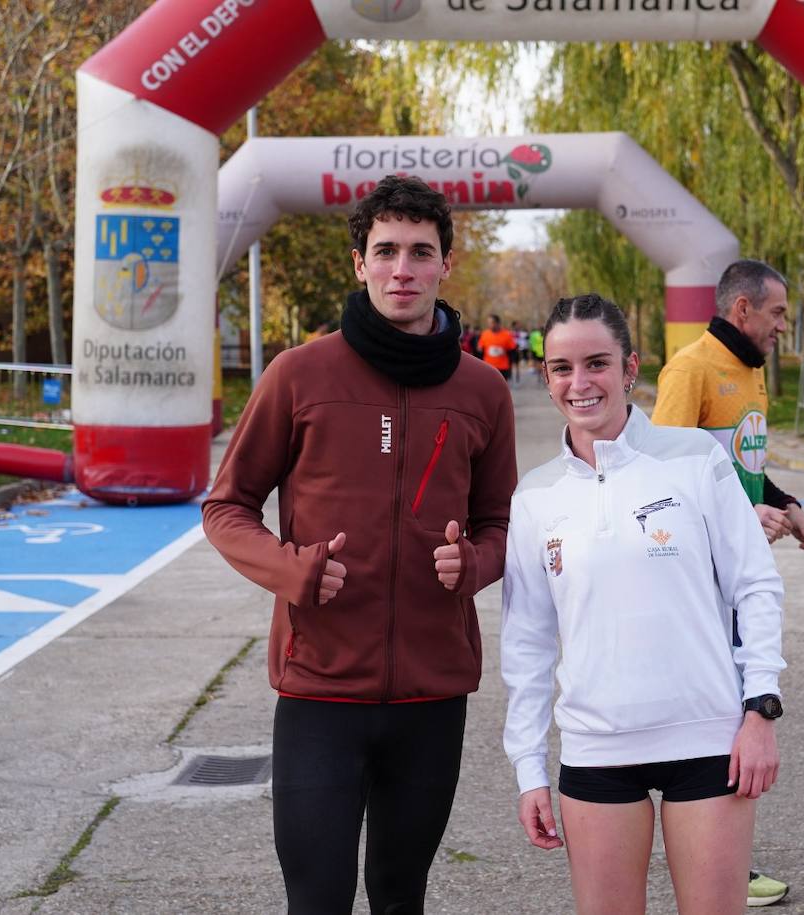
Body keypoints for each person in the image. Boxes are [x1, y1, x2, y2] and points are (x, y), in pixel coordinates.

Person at [201, 175, 518, 914]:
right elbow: (227, 506)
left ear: (445, 263)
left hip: (433, 693)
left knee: (400, 895)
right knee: (318, 898)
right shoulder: (298, 374)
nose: (401, 268)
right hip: (320, 690)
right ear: (359, 263)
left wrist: (474, 564)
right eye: (385, 251)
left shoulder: (483, 392)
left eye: (419, 251)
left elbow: (501, 524)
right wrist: (290, 570)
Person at [502, 293, 786, 915]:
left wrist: (761, 710)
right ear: (546, 376)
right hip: (596, 749)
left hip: (709, 739)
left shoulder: (694, 458)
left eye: (597, 363)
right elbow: (526, 641)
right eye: (561, 368)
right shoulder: (535, 496)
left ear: (630, 368)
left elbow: (754, 585)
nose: (580, 383)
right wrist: (528, 766)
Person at [652, 258, 804, 907]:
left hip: (739, 571)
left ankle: (722, 856)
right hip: (696, 578)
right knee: (716, 717)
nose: (783, 325)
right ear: (742, 308)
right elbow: (661, 475)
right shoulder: (690, 368)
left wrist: (787, 500)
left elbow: (742, 468)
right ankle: (713, 862)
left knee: (733, 710)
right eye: (776, 313)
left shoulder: (750, 370)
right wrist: (741, 514)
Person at [480, 313, 518, 381]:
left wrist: (510, 367)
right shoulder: (484, 334)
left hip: (503, 368)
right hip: (488, 367)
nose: (489, 325)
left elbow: (512, 350)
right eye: (488, 323)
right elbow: (480, 349)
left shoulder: (507, 335)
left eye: (492, 322)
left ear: (498, 323)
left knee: (501, 390)